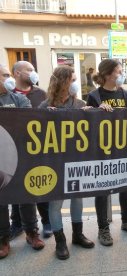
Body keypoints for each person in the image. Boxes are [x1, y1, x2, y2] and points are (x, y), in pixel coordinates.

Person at [38, 66, 95, 260]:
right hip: (55, 162)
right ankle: (60, 241)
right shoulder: (45, 106)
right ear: (62, 82)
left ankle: (77, 235)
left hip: (76, 161)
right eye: (73, 79)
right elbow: (36, 135)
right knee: (56, 202)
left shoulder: (80, 104)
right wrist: (47, 118)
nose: (76, 83)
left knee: (77, 198)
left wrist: (93, 113)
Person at [86, 58, 127, 246]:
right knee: (102, 189)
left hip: (122, 148)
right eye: (118, 71)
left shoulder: (125, 95)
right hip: (102, 150)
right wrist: (96, 111)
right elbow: (87, 121)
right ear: (108, 75)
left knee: (125, 186)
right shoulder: (95, 96)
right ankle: (103, 228)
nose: (121, 75)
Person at [0, 64, 45, 259]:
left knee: (27, 195)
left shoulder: (19, 98)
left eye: (9, 74)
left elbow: (27, 121)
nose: (8, 78)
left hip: (21, 156)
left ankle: (32, 232)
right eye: (4, 75)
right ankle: (3, 238)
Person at [10, 61, 51, 239]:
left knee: (40, 185)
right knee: (14, 187)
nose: (33, 73)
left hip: (36, 149)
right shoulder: (8, 95)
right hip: (12, 150)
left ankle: (46, 221)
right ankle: (17, 224)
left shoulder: (41, 94)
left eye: (34, 69)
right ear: (17, 73)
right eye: (29, 70)